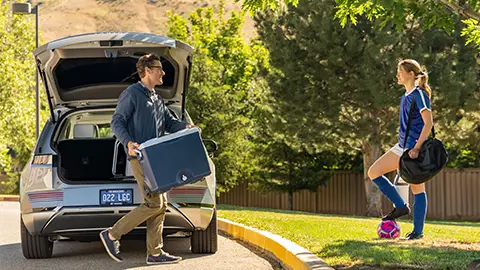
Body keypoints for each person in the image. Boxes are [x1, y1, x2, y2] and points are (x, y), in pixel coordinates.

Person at [100, 53, 196, 264]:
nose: (163, 72)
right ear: (147, 71)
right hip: (141, 158)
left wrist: (186, 127)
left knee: (160, 204)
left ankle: (155, 253)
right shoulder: (132, 94)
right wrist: (128, 142)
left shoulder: (156, 98)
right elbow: (117, 122)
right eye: (159, 68)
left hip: (157, 158)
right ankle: (112, 234)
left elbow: (170, 123)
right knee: (153, 203)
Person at [367, 59, 433, 240]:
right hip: (402, 146)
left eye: (400, 71)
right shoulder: (405, 96)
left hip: (413, 149)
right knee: (374, 172)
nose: (397, 75)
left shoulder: (419, 94)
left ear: (411, 74)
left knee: (418, 189)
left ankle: (417, 232)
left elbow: (428, 124)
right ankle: (401, 206)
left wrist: (417, 148)